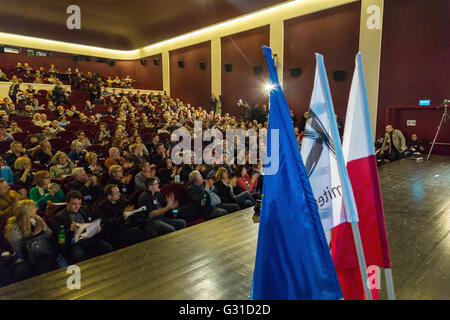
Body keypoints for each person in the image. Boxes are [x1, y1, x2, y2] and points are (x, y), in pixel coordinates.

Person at [53, 191, 113, 264]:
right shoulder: (59, 217)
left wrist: (97, 229)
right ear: (67, 203)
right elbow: (61, 238)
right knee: (78, 257)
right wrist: (70, 229)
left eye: (79, 204)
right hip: (74, 243)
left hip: (89, 238)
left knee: (108, 248)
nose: (77, 207)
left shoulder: (85, 209)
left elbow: (93, 222)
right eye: (74, 204)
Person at [4, 200, 58, 281]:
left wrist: (44, 230)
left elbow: (50, 234)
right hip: (24, 257)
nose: (36, 208)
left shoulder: (37, 218)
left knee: (47, 262)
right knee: (23, 270)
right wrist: (35, 233)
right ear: (27, 211)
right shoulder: (13, 227)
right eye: (34, 207)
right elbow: (19, 249)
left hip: (41, 251)